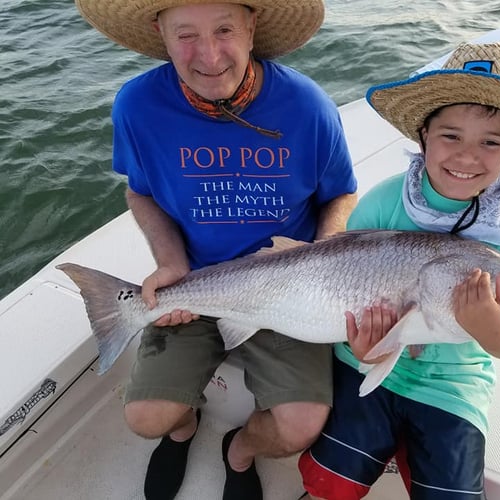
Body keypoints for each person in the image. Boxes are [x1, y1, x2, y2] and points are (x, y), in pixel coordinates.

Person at [75, 1, 357, 499]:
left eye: (224, 29)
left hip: (292, 288)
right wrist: (170, 262)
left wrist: (327, 256)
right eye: (186, 34)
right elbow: (139, 189)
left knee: (299, 428)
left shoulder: (309, 107)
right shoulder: (137, 106)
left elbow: (340, 193)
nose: (208, 54)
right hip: (197, 283)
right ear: (159, 33)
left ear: (251, 28)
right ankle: (184, 428)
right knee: (145, 418)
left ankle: (239, 449)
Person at [298, 42, 500, 499]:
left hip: (453, 384)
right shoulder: (382, 202)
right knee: (328, 484)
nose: (466, 157)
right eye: (450, 136)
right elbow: (337, 289)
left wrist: (494, 333)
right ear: (423, 134)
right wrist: (364, 346)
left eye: (491, 142)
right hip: (362, 362)